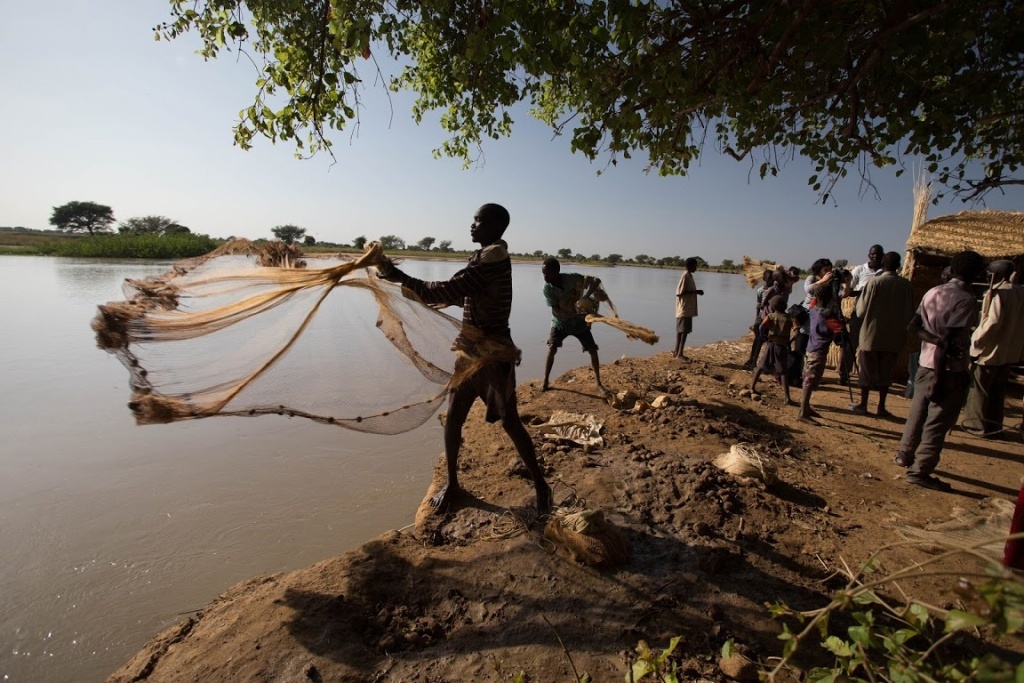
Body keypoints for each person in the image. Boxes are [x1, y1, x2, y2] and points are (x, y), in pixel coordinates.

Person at [375, 203, 552, 515]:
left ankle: (541, 485)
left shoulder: (493, 259)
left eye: (478, 220)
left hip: (492, 355)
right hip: (468, 353)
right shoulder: (483, 259)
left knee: (511, 422)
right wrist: (409, 286)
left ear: (496, 227)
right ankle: (454, 485)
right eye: (473, 220)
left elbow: (450, 288)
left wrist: (396, 274)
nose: (472, 225)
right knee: (454, 418)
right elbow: (460, 296)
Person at [895, 250, 986, 492]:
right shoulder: (965, 301)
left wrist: (933, 340)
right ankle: (921, 470)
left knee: (917, 412)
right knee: (937, 422)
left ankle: (905, 453)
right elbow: (947, 341)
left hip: (925, 364)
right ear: (975, 274)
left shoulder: (934, 292)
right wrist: (940, 370)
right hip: (945, 369)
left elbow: (914, 326)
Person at [963, 260, 1024, 437]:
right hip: (1009, 352)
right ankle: (994, 426)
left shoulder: (998, 294)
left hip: (990, 352)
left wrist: (975, 344)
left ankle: (976, 426)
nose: (988, 276)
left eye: (990, 274)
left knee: (979, 391)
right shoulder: (1020, 292)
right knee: (998, 392)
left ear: (997, 275)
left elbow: (992, 322)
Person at [850, 252, 914, 417]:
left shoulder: (874, 283)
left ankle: (863, 404)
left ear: (882, 265)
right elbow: (909, 314)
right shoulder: (906, 286)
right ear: (898, 266)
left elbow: (860, 311)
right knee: (886, 372)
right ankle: (881, 406)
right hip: (894, 337)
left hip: (871, 334)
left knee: (866, 371)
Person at [541, 257, 606, 394]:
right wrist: (570, 314)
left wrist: (588, 297)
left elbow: (593, 282)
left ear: (557, 272)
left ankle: (599, 383)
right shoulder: (548, 289)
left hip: (579, 324)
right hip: (560, 322)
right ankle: (546, 381)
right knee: (552, 347)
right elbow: (555, 310)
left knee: (592, 350)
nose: (545, 277)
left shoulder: (572, 279)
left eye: (547, 273)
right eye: (543, 274)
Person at [798, 278, 842, 423]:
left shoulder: (813, 309)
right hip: (819, 351)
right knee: (810, 381)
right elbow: (839, 334)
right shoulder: (828, 316)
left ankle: (806, 407)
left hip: (810, 348)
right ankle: (803, 412)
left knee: (808, 378)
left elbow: (814, 301)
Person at [750, 295, 794, 404]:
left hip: (771, 344)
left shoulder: (771, 316)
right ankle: (787, 398)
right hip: (782, 346)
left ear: (773, 307)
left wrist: (763, 336)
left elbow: (761, 327)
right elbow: (797, 331)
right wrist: (791, 341)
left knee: (761, 366)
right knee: (783, 371)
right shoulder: (789, 318)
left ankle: (752, 387)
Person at [674, 257, 704, 360]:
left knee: (681, 330)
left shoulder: (689, 276)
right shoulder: (685, 276)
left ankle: (676, 351)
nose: (696, 268)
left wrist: (696, 292)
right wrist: (696, 292)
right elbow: (679, 293)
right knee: (683, 331)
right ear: (689, 266)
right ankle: (680, 354)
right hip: (684, 308)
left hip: (687, 308)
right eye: (695, 266)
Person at [745, 269, 773, 368]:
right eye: (769, 279)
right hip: (762, 317)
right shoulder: (760, 290)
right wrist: (756, 319)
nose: (771, 281)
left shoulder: (775, 289)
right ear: (764, 279)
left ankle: (760, 362)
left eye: (772, 279)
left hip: (771, 318)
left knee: (764, 341)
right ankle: (752, 360)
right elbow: (758, 306)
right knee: (758, 340)